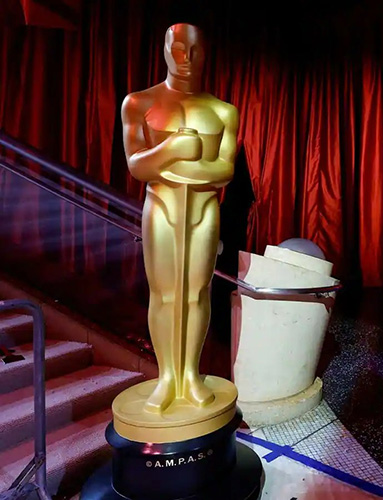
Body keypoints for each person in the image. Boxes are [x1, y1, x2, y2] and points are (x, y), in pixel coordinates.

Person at [121, 23, 239, 413]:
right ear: (164, 51)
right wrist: (172, 148)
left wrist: (175, 166)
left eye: (194, 49)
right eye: (177, 48)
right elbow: (137, 166)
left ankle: (189, 374)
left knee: (197, 292)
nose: (185, 58)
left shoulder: (223, 111)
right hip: (162, 207)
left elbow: (224, 170)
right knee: (164, 293)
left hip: (204, 209)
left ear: (205, 53)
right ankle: (167, 376)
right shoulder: (139, 103)